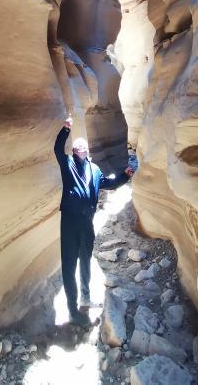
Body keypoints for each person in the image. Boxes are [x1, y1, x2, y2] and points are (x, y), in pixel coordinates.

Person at [54, 114, 134, 326]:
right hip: (69, 222)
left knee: (85, 259)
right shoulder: (68, 164)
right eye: (79, 148)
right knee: (69, 263)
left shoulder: (95, 169)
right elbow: (56, 150)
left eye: (85, 148)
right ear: (74, 151)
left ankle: (86, 296)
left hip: (87, 222)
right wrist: (66, 129)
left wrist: (124, 175)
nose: (83, 150)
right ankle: (72, 309)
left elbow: (109, 183)